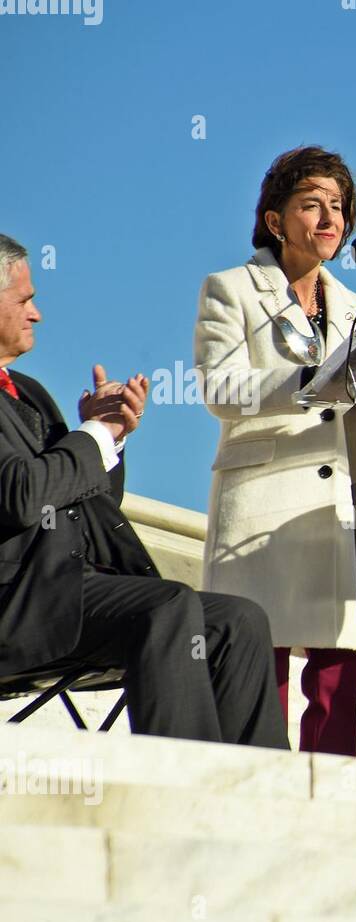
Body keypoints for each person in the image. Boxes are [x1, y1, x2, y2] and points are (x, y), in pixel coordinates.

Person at [0, 233, 286, 748]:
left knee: (239, 619)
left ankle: (263, 800)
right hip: (18, 604)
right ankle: (186, 795)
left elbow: (91, 507)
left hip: (67, 592)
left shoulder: (31, 393)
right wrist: (92, 438)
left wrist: (111, 439)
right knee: (167, 605)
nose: (37, 314)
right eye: (25, 300)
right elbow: (21, 498)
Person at [194, 146, 356, 755]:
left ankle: (335, 810)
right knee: (255, 673)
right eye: (312, 205)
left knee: (336, 678)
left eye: (338, 208)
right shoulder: (230, 289)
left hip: (332, 512)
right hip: (262, 502)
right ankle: (253, 799)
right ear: (275, 220)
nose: (329, 219)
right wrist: (305, 382)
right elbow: (219, 387)